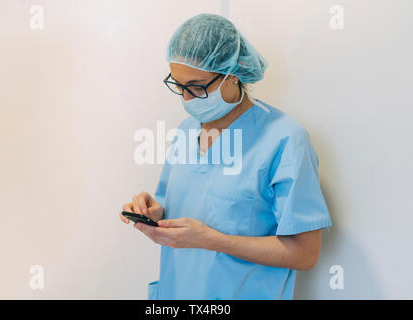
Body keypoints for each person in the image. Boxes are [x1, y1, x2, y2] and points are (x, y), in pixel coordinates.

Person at [119, 13, 332, 300]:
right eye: (179, 86)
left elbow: (305, 253)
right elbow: (186, 200)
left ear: (233, 75)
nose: (186, 99)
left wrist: (213, 241)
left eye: (196, 87)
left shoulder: (284, 140)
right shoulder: (187, 130)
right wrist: (155, 212)